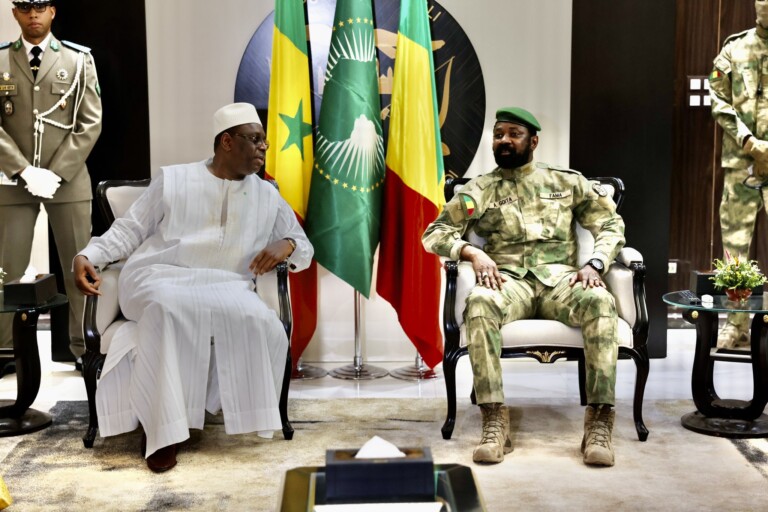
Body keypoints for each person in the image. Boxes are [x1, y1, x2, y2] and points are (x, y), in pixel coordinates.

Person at [73, 103, 313, 472]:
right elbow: (129, 229)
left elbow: (304, 246)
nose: (264, 147)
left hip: (226, 284)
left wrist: (289, 245)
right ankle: (164, 432)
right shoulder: (175, 179)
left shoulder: (267, 195)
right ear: (227, 142)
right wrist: (89, 253)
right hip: (158, 276)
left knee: (260, 321)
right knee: (168, 308)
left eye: (264, 140)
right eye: (255, 139)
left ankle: (227, 411)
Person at [422, 107, 626, 467]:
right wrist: (469, 251)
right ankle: (494, 419)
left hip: (561, 281)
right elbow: (435, 232)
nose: (504, 140)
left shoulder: (568, 183)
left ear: (533, 141)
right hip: (508, 280)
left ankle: (598, 421)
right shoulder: (480, 190)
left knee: (599, 301)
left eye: (514, 134)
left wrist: (596, 263)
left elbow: (611, 225)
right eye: (499, 134)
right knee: (480, 302)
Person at [0, 0, 102, 375]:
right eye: (25, 7)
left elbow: (90, 122)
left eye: (40, 7)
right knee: (6, 269)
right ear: (14, 13)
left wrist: (55, 173)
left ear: (53, 11)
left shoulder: (78, 60)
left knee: (78, 266)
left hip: (68, 180)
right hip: (13, 181)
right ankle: (4, 349)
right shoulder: (0, 61)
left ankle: (83, 346)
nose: (33, 15)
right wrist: (24, 171)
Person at [709, 0, 768, 349]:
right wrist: (749, 142)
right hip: (741, 163)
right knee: (734, 249)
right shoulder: (734, 48)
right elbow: (718, 100)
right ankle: (737, 325)